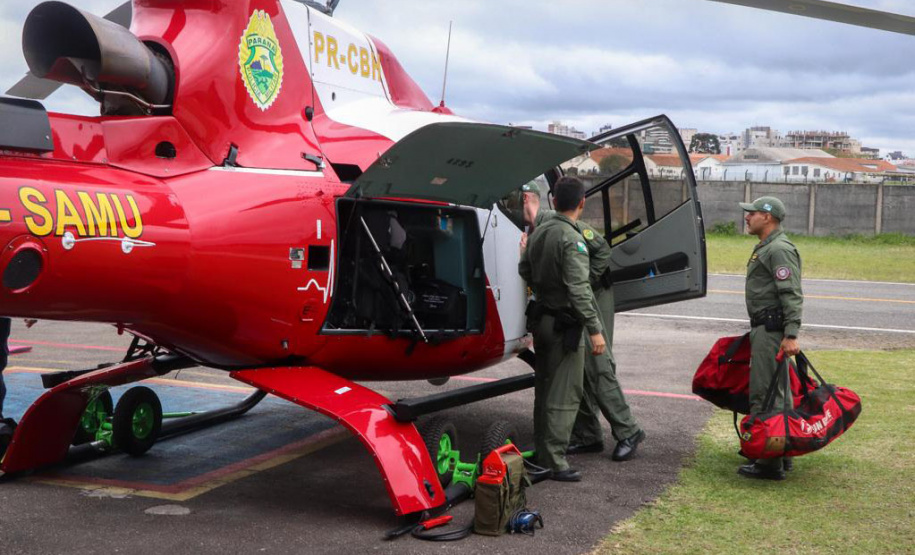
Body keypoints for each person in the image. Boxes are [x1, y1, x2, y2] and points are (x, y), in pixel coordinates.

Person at [521, 182, 645, 461]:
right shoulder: (536, 230)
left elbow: (602, 250)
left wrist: (581, 284)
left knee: (596, 364)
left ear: (528, 198)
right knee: (574, 365)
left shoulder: (558, 222)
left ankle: (629, 430)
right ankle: (588, 435)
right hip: (572, 298)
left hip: (592, 295)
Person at [519, 176, 604, 482]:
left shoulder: (539, 232)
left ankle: (544, 452)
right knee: (565, 394)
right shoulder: (573, 239)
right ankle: (555, 461)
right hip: (564, 325)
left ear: (553, 201)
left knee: (544, 389)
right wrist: (595, 329)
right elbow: (579, 289)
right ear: (582, 203)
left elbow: (524, 268)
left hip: (542, 319)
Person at [738, 196, 803, 481]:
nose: (747, 217)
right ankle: (783, 452)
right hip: (766, 328)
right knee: (780, 394)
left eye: (752, 213)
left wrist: (790, 334)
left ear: (768, 216)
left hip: (771, 331)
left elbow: (791, 294)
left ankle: (768, 462)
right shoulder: (767, 247)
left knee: (766, 394)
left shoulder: (779, 249)